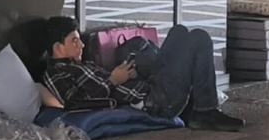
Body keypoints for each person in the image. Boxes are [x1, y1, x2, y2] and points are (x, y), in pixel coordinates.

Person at [42, 17, 245, 131]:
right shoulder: (57, 73)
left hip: (148, 84)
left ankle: (199, 105)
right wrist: (112, 80)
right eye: (74, 41)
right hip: (155, 100)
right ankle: (205, 111)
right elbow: (74, 103)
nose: (82, 45)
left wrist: (125, 73)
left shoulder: (80, 65)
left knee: (179, 32)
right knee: (199, 38)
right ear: (58, 47)